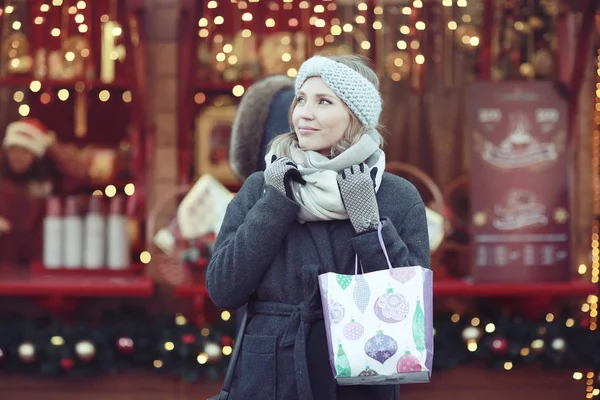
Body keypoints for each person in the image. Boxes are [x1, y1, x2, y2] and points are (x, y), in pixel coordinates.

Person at [206, 54, 430, 400]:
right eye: (301, 99)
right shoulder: (264, 186)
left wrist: (369, 226)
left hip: (358, 380)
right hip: (269, 379)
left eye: (323, 101)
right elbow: (223, 289)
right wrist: (275, 205)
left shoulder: (394, 195)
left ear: (355, 117)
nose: (303, 113)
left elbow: (407, 306)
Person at [0, 118, 89, 265]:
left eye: (25, 151)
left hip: (40, 263)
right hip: (4, 265)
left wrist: (49, 143)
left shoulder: (49, 181)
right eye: (13, 150)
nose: (18, 157)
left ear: (36, 154)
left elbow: (80, 175)